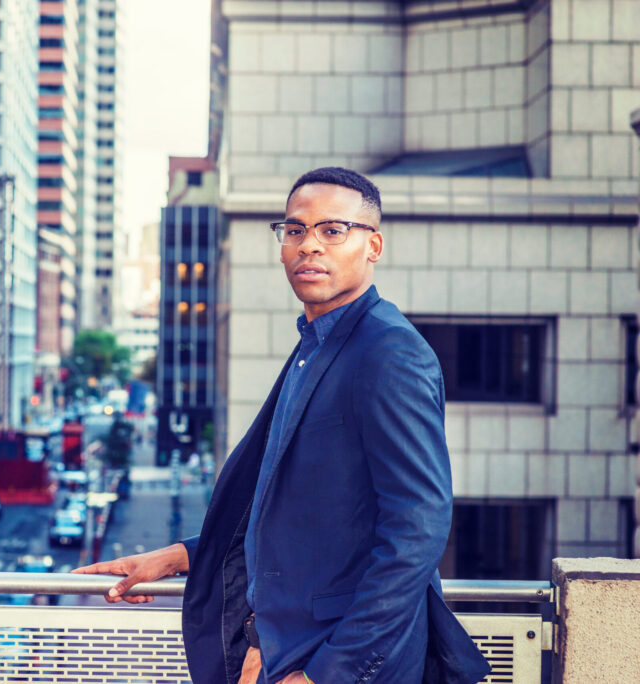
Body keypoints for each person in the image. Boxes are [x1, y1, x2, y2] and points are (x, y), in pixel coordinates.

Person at [73, 168, 491, 684]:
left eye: (332, 231)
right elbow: (307, 512)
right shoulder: (315, 346)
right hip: (280, 650)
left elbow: (417, 531)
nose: (309, 245)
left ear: (373, 245)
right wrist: (185, 554)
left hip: (332, 662)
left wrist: (330, 673)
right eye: (295, 230)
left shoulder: (390, 352)